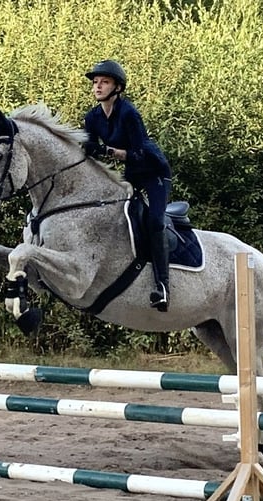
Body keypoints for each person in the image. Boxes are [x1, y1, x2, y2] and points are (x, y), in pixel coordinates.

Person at [82, 59, 173, 312]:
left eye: (104, 82)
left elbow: (139, 154)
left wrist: (107, 150)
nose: (98, 87)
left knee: (155, 221)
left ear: (118, 88)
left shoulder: (129, 114)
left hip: (154, 171)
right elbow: (90, 151)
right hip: (131, 173)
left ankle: (163, 286)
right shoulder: (92, 117)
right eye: (95, 82)